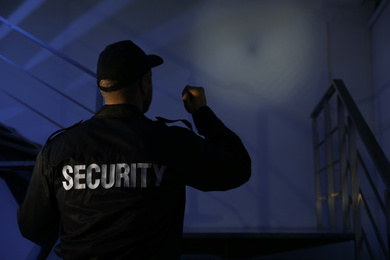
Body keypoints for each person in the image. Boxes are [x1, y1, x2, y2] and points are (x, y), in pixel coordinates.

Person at [17, 40, 251, 260]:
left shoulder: (58, 149)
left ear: (102, 87)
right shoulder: (169, 141)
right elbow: (237, 167)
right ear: (144, 84)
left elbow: (34, 229)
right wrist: (202, 113)